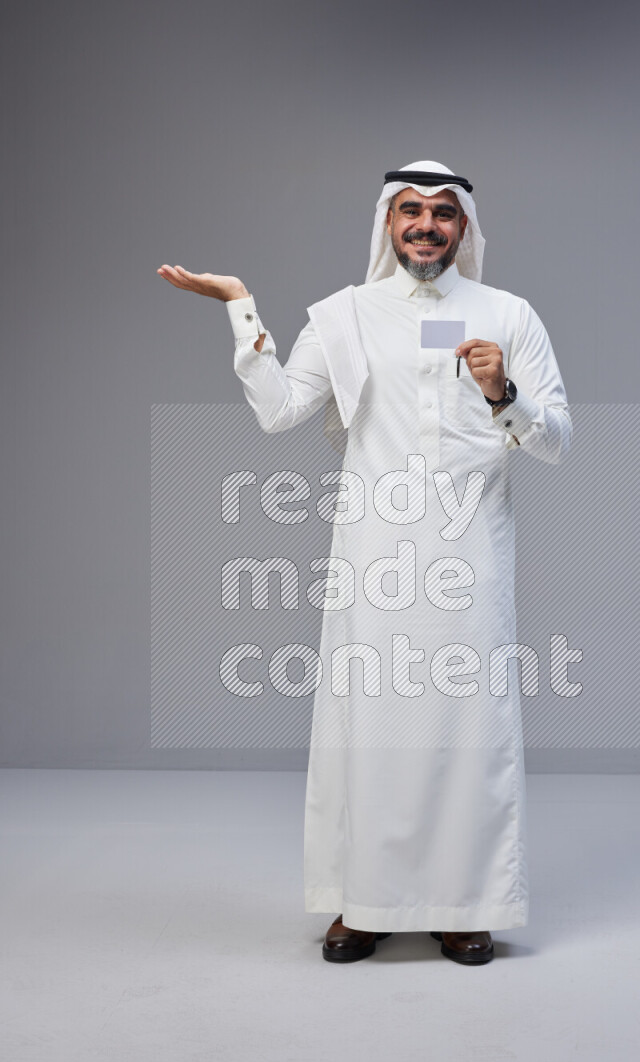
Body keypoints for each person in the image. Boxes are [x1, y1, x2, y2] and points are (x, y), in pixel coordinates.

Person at [157, 160, 572, 967]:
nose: (426, 225)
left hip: (469, 557)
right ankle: (365, 902)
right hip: (372, 558)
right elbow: (280, 412)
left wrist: (504, 392)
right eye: (410, 211)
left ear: (465, 228)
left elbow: (556, 441)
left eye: (443, 213)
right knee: (368, 729)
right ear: (387, 224)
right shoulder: (344, 316)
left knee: (467, 730)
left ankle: (464, 903)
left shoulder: (508, 315)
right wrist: (242, 307)